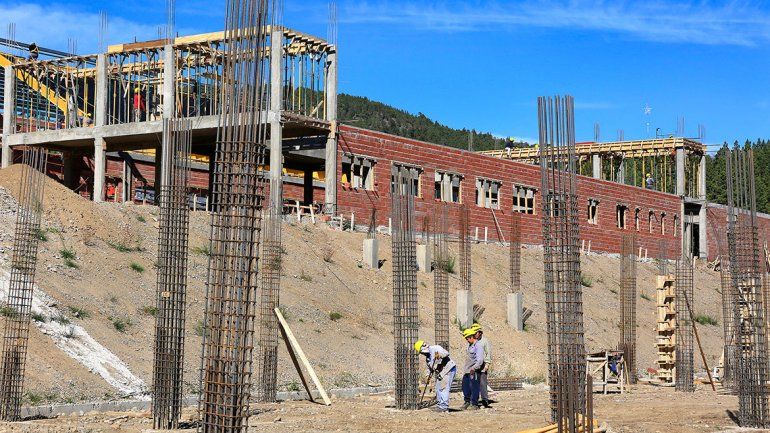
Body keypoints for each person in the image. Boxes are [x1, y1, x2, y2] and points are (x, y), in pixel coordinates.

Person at [414, 340, 457, 413]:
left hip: (448, 369)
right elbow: (430, 368)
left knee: (443, 388)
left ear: (423, 348)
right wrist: (428, 375)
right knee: (438, 388)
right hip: (441, 372)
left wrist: (440, 355)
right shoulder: (428, 358)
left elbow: (446, 353)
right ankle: (440, 405)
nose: (422, 354)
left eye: (421, 352)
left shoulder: (436, 348)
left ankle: (444, 406)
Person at [461, 327, 484, 410]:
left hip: (474, 371)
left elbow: (480, 360)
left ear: (471, 337)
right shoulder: (469, 345)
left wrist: (474, 368)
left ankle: (474, 404)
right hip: (467, 370)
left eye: (467, 338)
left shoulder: (478, 346)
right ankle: (467, 402)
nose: (466, 340)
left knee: (474, 387)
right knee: (465, 386)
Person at [471, 323, 492, 408]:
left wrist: (487, 364)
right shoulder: (473, 341)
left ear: (479, 332)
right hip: (474, 365)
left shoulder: (484, 341)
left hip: (482, 366)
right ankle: (474, 400)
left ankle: (484, 400)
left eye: (475, 332)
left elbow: (488, 353)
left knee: (483, 383)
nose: (474, 334)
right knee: (474, 383)